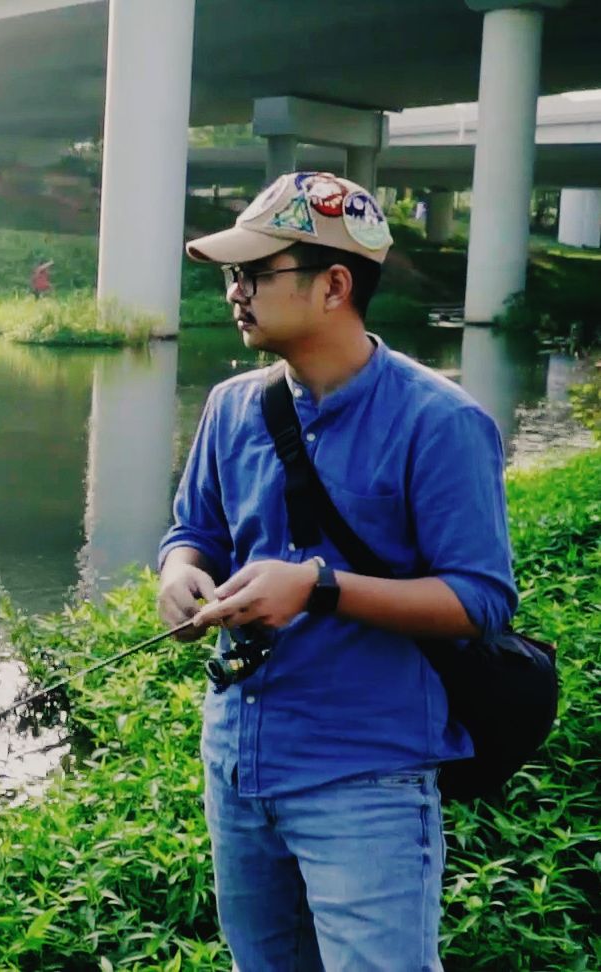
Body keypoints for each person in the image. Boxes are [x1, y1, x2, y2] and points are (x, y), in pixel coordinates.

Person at [156, 171, 516, 970]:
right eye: (231, 275)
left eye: (255, 273)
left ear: (335, 286)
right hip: (237, 767)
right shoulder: (229, 406)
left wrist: (317, 587)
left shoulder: (440, 423)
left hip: (367, 779)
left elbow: (479, 598)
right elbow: (194, 531)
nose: (235, 292)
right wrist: (178, 574)